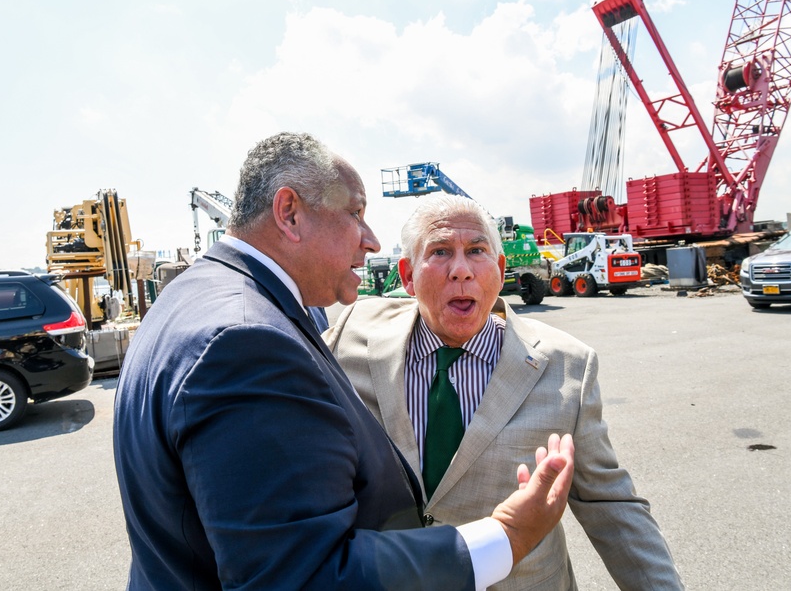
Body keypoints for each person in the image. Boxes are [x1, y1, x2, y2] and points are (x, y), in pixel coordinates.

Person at [113, 132, 576, 590]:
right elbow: (302, 575)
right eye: (355, 213)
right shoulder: (246, 342)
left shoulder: (192, 296)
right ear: (289, 214)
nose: (371, 241)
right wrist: (507, 537)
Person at [324, 195, 683, 590]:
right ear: (407, 276)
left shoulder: (567, 368)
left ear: (499, 269)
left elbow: (611, 507)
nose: (461, 271)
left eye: (476, 251)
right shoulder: (351, 335)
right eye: (440, 251)